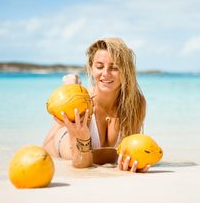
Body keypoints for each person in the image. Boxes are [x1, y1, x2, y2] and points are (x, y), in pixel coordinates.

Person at [43, 37, 149, 172]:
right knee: (74, 107)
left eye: (115, 67)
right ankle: (72, 89)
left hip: (86, 152)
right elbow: (81, 164)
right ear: (91, 69)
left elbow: (131, 153)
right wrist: (72, 98)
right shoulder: (83, 106)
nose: (105, 73)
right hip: (59, 146)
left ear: (126, 70)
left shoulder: (135, 104)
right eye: (99, 67)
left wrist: (135, 165)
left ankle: (74, 87)